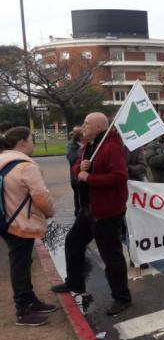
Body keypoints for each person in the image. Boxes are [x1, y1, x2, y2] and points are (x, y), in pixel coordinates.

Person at [51, 113, 132, 316]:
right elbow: (79, 168)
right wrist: (82, 168)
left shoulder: (111, 146)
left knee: (111, 257)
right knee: (73, 242)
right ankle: (74, 282)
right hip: (89, 209)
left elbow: (120, 177)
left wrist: (90, 178)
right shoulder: (90, 144)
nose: (83, 126)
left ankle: (122, 298)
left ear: (98, 126)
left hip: (107, 212)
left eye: (87, 124)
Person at [0, 127, 57, 326]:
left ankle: (30, 299)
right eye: (31, 139)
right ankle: (23, 309)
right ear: (23, 142)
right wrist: (50, 212)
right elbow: (41, 197)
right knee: (20, 264)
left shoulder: (2, 160)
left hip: (5, 220)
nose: (33, 143)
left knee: (22, 261)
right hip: (21, 223)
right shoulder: (26, 166)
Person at [66, 126, 84, 217]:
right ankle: (78, 216)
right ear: (80, 137)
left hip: (81, 178)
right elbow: (72, 159)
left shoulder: (84, 145)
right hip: (76, 179)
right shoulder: (72, 146)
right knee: (79, 199)